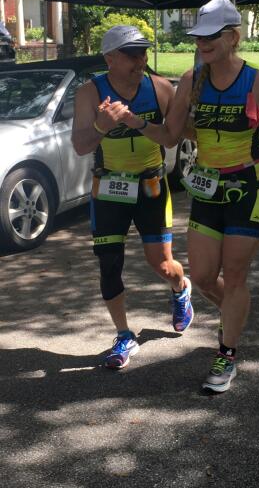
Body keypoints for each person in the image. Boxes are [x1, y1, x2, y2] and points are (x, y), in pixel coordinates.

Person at [119, 0, 259, 392]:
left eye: (211, 35)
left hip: (248, 187)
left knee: (235, 274)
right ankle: (235, 312)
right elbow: (170, 135)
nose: (202, 42)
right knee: (204, 276)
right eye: (198, 36)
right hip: (207, 187)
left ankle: (227, 354)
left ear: (233, 37)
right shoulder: (192, 80)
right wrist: (134, 121)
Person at [72, 25, 193, 369]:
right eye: (132, 55)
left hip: (150, 186)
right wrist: (100, 126)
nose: (141, 60)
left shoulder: (159, 88)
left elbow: (171, 139)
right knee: (109, 263)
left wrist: (136, 122)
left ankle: (180, 288)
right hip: (108, 188)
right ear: (110, 58)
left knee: (163, 265)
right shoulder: (89, 93)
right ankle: (124, 335)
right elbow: (80, 146)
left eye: (143, 53)